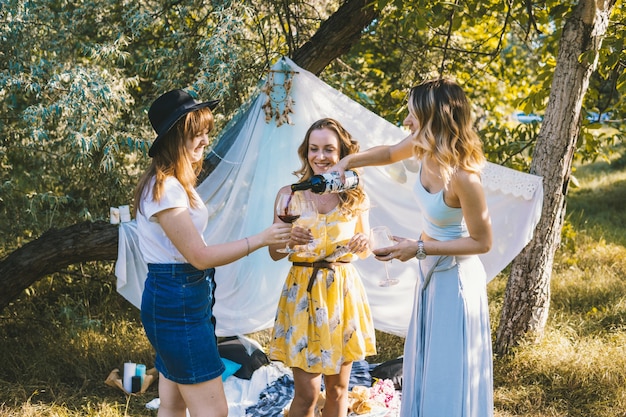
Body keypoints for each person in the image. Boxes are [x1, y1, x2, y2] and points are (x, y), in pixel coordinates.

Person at [331, 79, 494, 417]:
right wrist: (348, 163)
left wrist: (418, 248)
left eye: (413, 115)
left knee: (448, 368)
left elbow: (483, 242)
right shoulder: (422, 145)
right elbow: (389, 153)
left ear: (435, 117)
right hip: (429, 273)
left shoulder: (464, 177)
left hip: (456, 282)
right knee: (428, 361)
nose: (406, 122)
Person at [133, 89, 292, 417]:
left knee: (173, 404)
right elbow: (199, 256)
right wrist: (260, 239)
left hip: (182, 298)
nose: (206, 139)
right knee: (215, 412)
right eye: (197, 133)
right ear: (176, 138)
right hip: (175, 303)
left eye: (207, 131)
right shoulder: (166, 189)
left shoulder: (176, 183)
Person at [268, 118, 377, 417]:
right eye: (313, 149)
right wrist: (287, 238)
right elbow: (274, 253)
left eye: (329, 149)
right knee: (307, 393)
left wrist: (361, 243)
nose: (320, 156)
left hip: (342, 294)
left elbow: (367, 248)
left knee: (339, 391)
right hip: (303, 294)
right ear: (306, 153)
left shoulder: (355, 194)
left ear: (342, 152)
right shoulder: (289, 194)